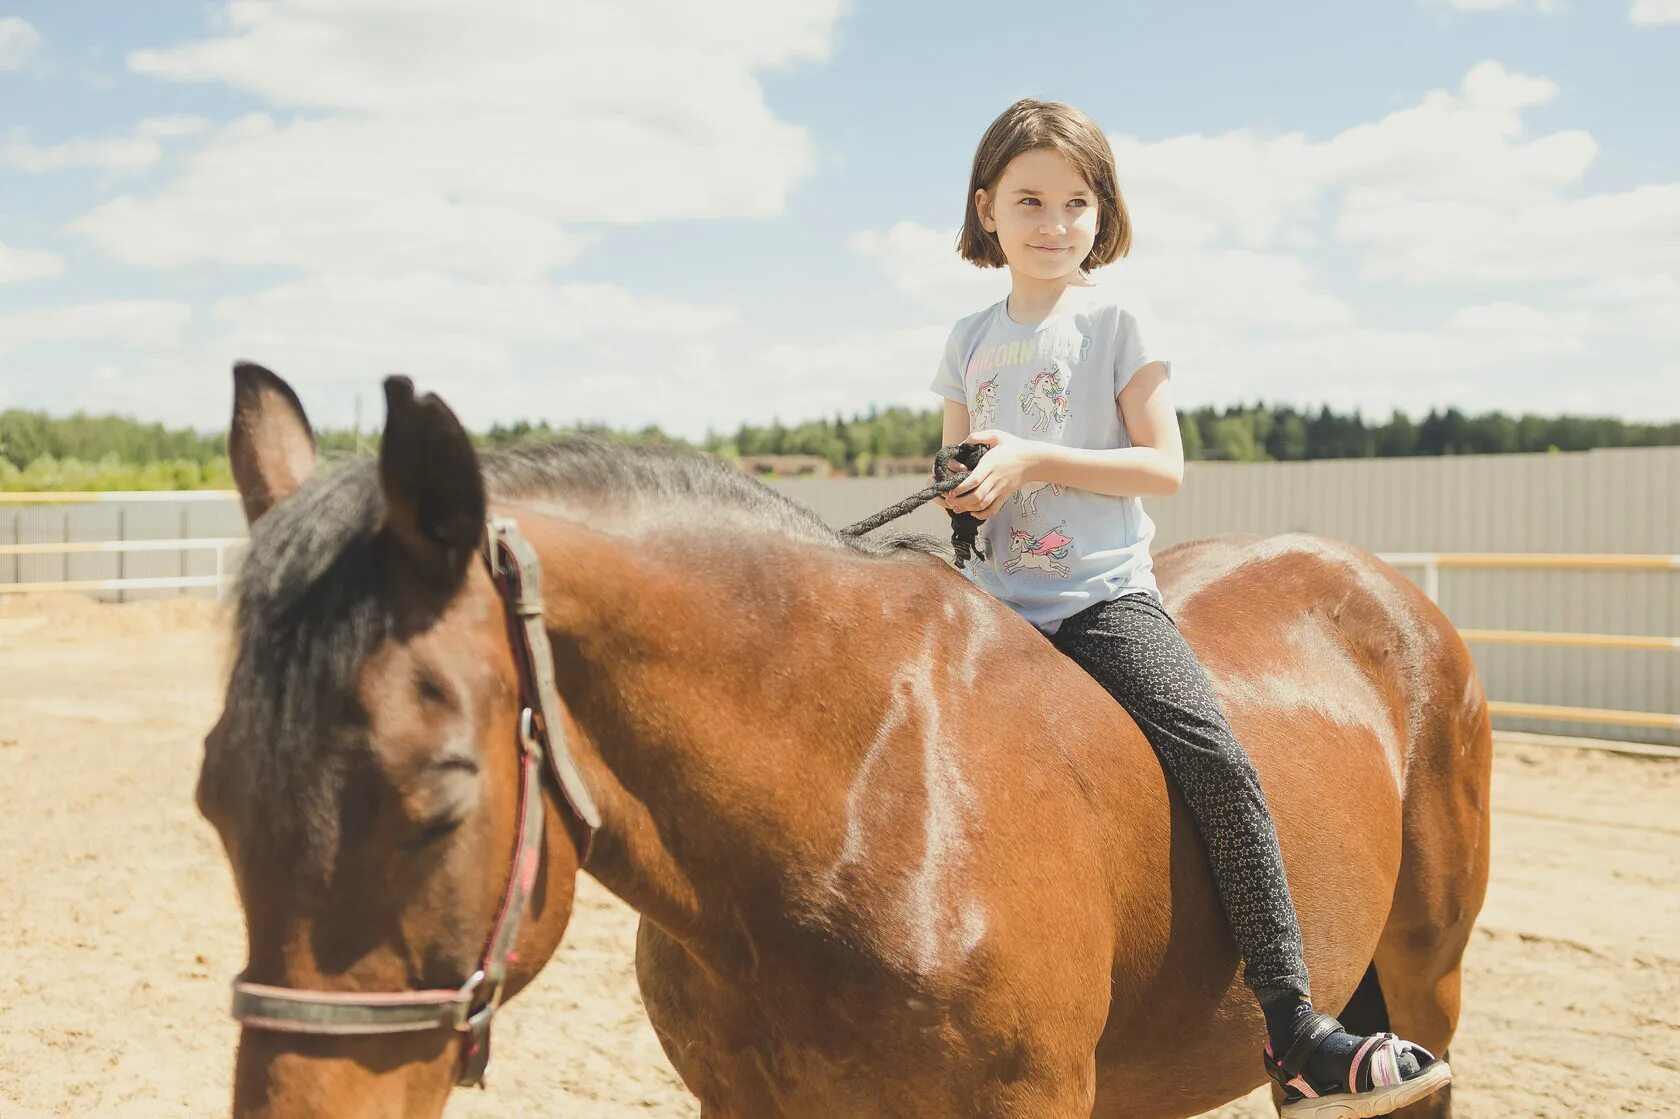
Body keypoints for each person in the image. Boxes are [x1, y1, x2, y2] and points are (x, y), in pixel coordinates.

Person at [929, 98, 1451, 1118]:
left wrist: (1032, 456)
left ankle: (1297, 1028)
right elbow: (959, 461)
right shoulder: (968, 337)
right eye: (1029, 200)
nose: (1053, 222)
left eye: (1075, 202)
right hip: (991, 606)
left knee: (1217, 760)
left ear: (1101, 212)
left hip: (1098, 603)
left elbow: (1163, 468)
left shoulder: (1117, 321)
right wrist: (963, 482)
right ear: (985, 208)